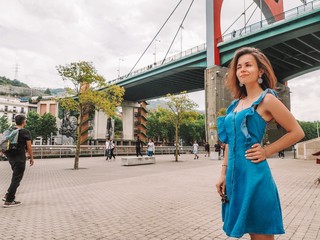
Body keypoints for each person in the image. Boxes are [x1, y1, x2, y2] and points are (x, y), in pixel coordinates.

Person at [215, 47, 304, 239]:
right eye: (239, 67)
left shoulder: (268, 99)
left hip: (255, 176)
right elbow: (230, 141)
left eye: (248, 65)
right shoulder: (235, 104)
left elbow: (297, 132)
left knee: (260, 235)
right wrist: (223, 173)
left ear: (260, 71)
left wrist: (267, 150)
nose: (242, 70)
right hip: (234, 177)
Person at [2, 114, 34, 208]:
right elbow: (29, 147)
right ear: (24, 121)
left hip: (11, 157)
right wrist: (31, 158)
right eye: (26, 120)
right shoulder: (25, 132)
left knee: (16, 178)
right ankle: (9, 201)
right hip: (19, 158)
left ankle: (8, 195)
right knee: (16, 179)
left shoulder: (11, 130)